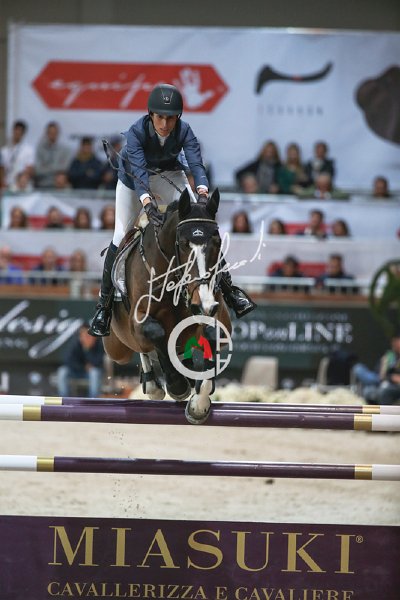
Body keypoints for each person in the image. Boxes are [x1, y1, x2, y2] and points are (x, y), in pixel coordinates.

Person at [88, 83, 255, 337]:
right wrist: (147, 203)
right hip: (134, 182)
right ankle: (104, 307)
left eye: (171, 118)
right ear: (150, 114)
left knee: (200, 227)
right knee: (119, 234)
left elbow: (196, 164)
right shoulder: (136, 133)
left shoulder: (185, 131)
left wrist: (202, 192)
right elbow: (139, 173)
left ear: (178, 117)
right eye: (160, 117)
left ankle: (231, 292)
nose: (165, 124)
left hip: (171, 176)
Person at [57, 324, 104, 398]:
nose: (87, 338)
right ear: (80, 337)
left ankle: (93, 400)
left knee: (94, 372)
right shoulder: (75, 344)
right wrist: (83, 367)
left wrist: (88, 350)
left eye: (89, 335)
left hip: (89, 374)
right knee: (62, 371)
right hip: (75, 371)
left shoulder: (99, 345)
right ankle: (64, 399)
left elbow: (98, 361)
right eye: (84, 335)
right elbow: (68, 360)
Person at [34, 121, 71, 188]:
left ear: (58, 133)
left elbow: (64, 168)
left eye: (54, 133)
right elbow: (38, 170)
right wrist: (56, 168)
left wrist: (46, 167)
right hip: (42, 183)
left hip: (58, 184)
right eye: (50, 133)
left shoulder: (65, 150)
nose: (53, 135)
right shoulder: (40, 149)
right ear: (46, 133)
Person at [0, 120, 34, 189]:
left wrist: (22, 181)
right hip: (7, 184)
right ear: (13, 131)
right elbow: (2, 169)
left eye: (20, 131)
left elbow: (29, 168)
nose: (18, 133)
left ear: (23, 133)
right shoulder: (4, 151)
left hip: (22, 185)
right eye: (16, 130)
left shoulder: (29, 150)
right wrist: (3, 183)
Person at [377, 331, 400, 404]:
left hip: (393, 386)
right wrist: (392, 377)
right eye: (394, 342)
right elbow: (382, 375)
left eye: (397, 341)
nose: (395, 344)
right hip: (386, 382)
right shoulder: (390, 355)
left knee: (384, 389)